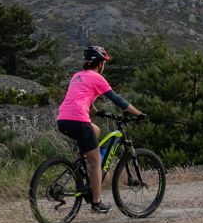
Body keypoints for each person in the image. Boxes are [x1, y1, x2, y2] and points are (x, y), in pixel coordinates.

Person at [56, 45, 145, 214]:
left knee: (95, 130)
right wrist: (139, 114)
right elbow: (117, 99)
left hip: (63, 120)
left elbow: (80, 95)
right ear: (100, 63)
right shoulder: (97, 77)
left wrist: (96, 111)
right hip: (78, 120)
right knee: (96, 161)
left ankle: (79, 165)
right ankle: (96, 202)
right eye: (104, 62)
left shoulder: (77, 76)